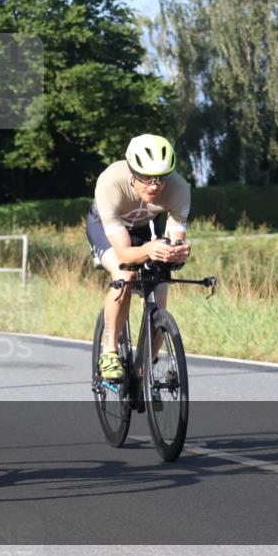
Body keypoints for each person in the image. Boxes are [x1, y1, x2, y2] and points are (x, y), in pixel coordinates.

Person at [86, 134, 192, 391]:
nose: (155, 185)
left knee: (160, 291)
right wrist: (148, 250)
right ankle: (110, 352)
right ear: (132, 172)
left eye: (161, 177)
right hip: (106, 229)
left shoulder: (179, 188)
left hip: (144, 229)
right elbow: (124, 254)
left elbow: (175, 238)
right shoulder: (110, 183)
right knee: (124, 276)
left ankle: (144, 372)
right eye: (146, 177)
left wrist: (177, 253)